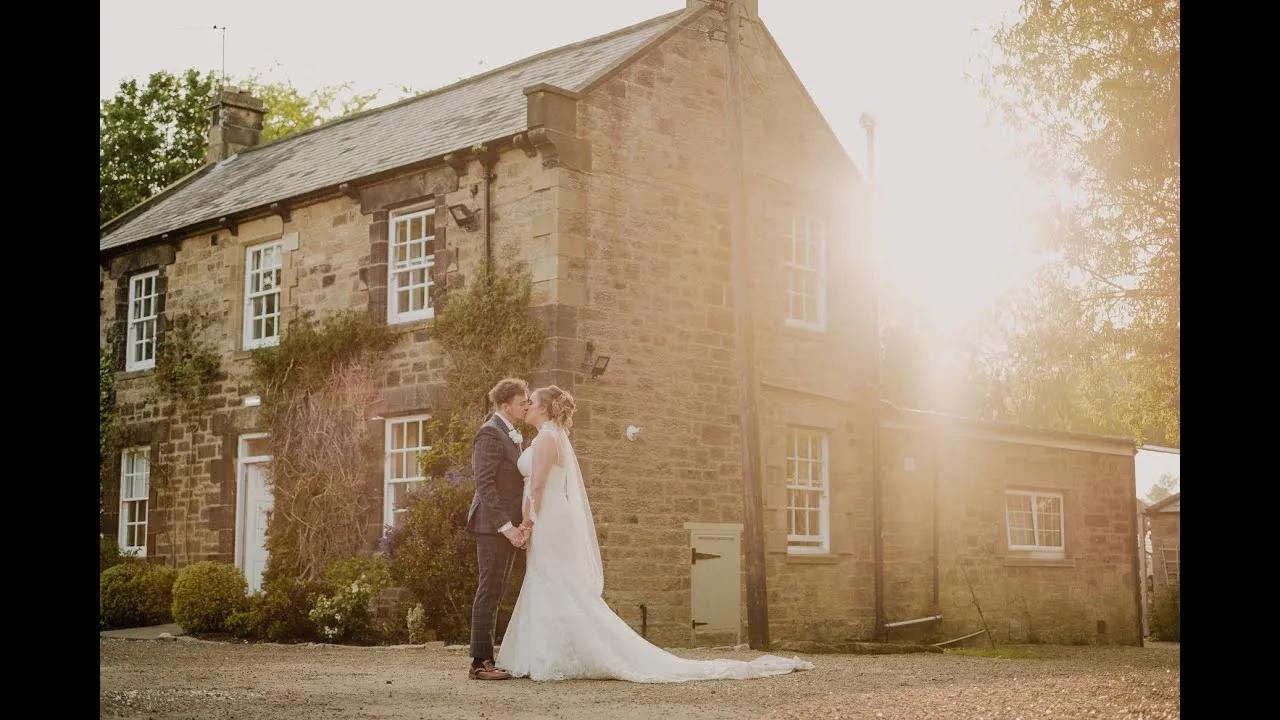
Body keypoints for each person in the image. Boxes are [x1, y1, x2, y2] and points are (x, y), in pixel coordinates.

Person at [496, 385, 814, 682]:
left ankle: (554, 656)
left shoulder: (548, 439)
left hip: (548, 518)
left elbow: (536, 487)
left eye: (532, 403)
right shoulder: (551, 437)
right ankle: (555, 652)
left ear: (546, 409)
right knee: (552, 581)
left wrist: (526, 524)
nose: (527, 406)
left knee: (555, 580)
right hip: (552, 516)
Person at [465, 378, 532, 681]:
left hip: (507, 526)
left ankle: (488, 658)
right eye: (522, 402)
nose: (527, 405)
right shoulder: (490, 433)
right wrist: (506, 527)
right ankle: (479, 663)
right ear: (506, 406)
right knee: (489, 589)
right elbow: (485, 484)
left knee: (497, 590)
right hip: (492, 527)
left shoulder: (510, 434)